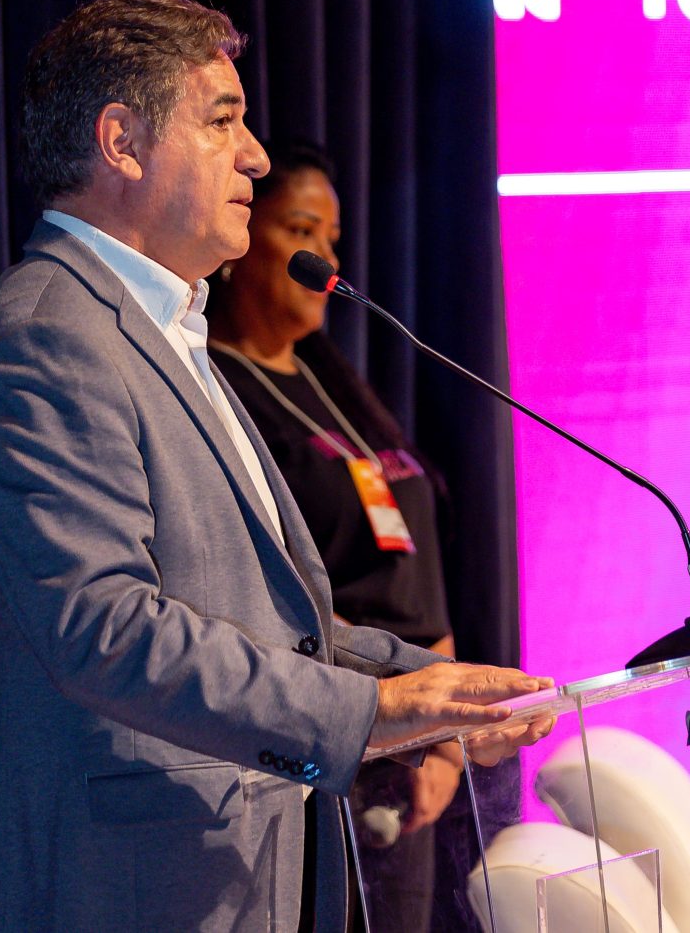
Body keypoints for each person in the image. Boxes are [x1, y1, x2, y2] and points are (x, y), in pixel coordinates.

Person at [0, 0, 553, 932]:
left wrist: (432, 688)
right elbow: (106, 628)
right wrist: (375, 711)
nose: (255, 155)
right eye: (223, 121)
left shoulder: (164, 333)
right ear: (122, 142)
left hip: (224, 884)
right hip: (119, 896)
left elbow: (258, 619)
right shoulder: (44, 341)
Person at [207, 140, 467, 929]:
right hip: (332, 734)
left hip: (415, 745)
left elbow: (417, 570)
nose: (324, 255)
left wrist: (445, 733)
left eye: (332, 237)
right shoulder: (217, 389)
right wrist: (397, 701)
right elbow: (262, 584)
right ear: (242, 240)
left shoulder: (337, 384)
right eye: (300, 230)